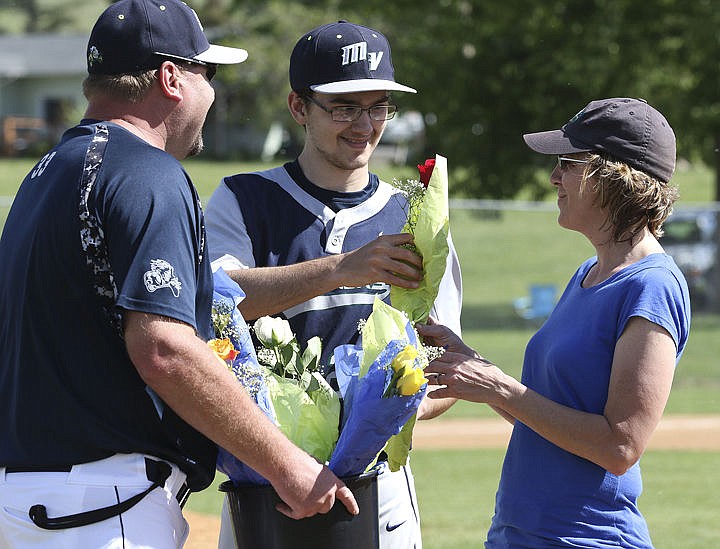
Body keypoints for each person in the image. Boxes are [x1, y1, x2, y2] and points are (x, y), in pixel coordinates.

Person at [0, 2, 358, 548]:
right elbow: (164, 349)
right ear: (171, 77)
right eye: (207, 74)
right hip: (102, 506)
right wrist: (289, 464)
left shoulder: (46, 172)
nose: (211, 94)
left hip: (26, 500)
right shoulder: (148, 173)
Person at [205, 20, 462, 549]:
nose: (363, 125)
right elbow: (216, 304)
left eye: (377, 107)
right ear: (299, 108)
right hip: (267, 479)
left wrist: (364, 431)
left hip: (379, 484)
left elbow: (444, 368)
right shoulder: (243, 199)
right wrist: (343, 268)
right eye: (343, 107)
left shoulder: (413, 218)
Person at [418, 97, 691, 548]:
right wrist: (473, 365)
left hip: (587, 539)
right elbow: (545, 413)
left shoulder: (653, 286)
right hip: (519, 533)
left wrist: (498, 387)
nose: (554, 177)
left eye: (568, 162)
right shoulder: (588, 273)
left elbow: (619, 446)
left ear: (614, 177)